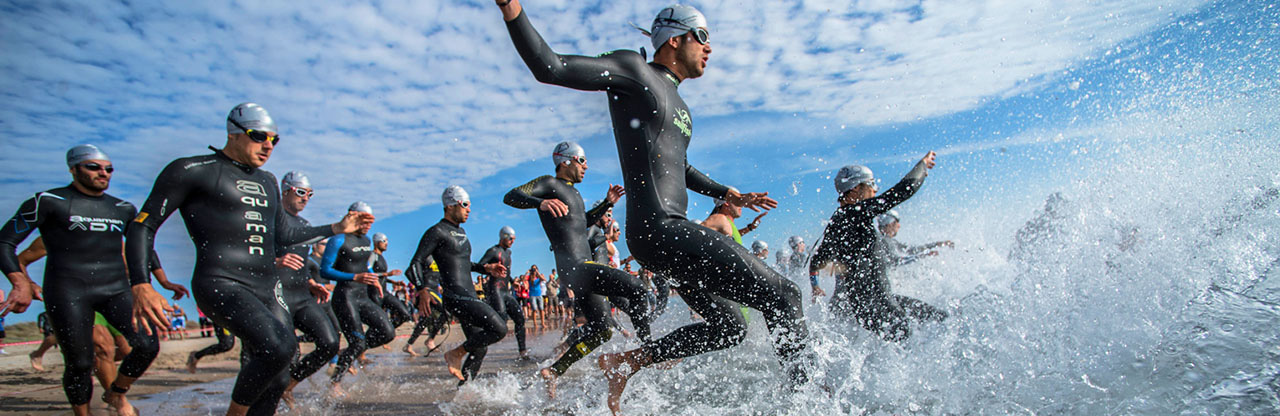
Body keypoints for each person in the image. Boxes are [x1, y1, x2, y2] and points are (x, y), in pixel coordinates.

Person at [499, 3, 812, 412]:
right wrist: (511, 9)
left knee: (731, 327)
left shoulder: (680, 108)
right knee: (785, 296)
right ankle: (810, 401)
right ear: (675, 38)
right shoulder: (635, 71)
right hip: (660, 228)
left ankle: (625, 362)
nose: (710, 48)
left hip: (667, 236)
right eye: (703, 36)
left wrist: (728, 192)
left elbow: (680, 167)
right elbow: (550, 66)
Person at [124, 103, 372, 416]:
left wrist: (336, 228)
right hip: (220, 281)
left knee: (281, 369)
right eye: (259, 136)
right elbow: (142, 225)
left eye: (274, 140)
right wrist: (141, 283)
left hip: (266, 287)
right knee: (279, 347)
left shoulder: (267, 181)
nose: (268, 145)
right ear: (234, 133)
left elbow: (283, 236)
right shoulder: (192, 170)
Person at [0, 144, 162, 416]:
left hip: (115, 289)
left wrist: (160, 284)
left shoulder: (122, 208)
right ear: (74, 169)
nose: (104, 173)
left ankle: (116, 393)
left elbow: (141, 248)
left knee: (148, 345)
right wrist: (21, 283)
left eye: (108, 169)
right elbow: (5, 242)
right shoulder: (48, 201)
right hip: (67, 290)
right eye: (94, 167)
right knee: (80, 362)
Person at [503, 141, 654, 397]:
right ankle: (649, 351)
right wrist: (538, 203)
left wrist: (607, 203)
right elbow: (511, 196)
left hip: (582, 270)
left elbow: (581, 223)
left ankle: (554, 370)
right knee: (638, 288)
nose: (586, 166)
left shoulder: (573, 193)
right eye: (582, 161)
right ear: (566, 161)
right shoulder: (549, 183)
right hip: (577, 266)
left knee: (603, 331)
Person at [809, 152, 944, 342]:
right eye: (871, 184)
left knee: (935, 316)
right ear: (856, 189)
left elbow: (816, 260)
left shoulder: (837, 220)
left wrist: (815, 287)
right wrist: (922, 166)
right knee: (906, 336)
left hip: (871, 302)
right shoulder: (856, 211)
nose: (875, 190)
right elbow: (903, 190)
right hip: (876, 303)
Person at [406, 186, 507, 384]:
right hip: (456, 296)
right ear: (450, 206)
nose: (469, 210)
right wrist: (422, 290)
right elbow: (414, 264)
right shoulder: (437, 231)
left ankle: (464, 393)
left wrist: (485, 268)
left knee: (479, 347)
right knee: (499, 329)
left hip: (468, 294)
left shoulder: (461, 232)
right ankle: (455, 354)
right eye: (465, 205)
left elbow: (462, 264)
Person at [267, 171, 343, 407]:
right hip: (275, 295)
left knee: (330, 342)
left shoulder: (305, 225)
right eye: (301, 192)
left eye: (310, 194)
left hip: (301, 294)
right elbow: (249, 253)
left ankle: (289, 385)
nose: (306, 198)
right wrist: (276, 261)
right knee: (283, 352)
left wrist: (311, 283)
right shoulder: (270, 219)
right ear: (285, 190)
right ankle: (264, 403)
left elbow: (302, 262)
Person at [323, 201, 397, 395]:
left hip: (363, 295)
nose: (368, 225)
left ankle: (350, 352)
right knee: (357, 343)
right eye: (365, 220)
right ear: (352, 216)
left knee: (387, 332)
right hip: (345, 296)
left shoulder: (365, 242)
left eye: (371, 221)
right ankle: (335, 382)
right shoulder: (338, 240)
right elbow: (325, 270)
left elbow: (366, 266)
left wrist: (373, 279)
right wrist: (353, 277)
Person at [478, 226, 528, 359]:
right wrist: (489, 268)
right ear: (504, 237)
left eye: (514, 239)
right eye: (511, 238)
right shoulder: (493, 251)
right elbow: (480, 266)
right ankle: (478, 344)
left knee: (520, 319)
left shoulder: (508, 253)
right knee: (501, 323)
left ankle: (522, 351)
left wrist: (513, 281)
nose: (513, 241)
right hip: (495, 291)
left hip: (506, 291)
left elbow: (507, 271)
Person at [403, 256, 449, 357]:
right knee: (445, 312)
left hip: (435, 291)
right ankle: (430, 340)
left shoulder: (438, 259)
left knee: (426, 319)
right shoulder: (426, 257)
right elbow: (408, 272)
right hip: (426, 292)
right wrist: (421, 288)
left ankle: (410, 345)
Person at [876, 210, 954, 266]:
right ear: (889, 224)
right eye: (897, 222)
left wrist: (936, 244)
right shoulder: (883, 242)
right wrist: (921, 256)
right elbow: (894, 262)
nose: (899, 226)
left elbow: (911, 250)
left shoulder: (890, 241)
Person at [368, 233, 413, 329]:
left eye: (387, 241)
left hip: (384, 292)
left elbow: (380, 276)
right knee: (377, 321)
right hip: (374, 293)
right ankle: (381, 335)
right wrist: (387, 274)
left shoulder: (382, 257)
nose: (386, 243)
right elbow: (368, 273)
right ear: (376, 242)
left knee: (405, 314)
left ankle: (386, 332)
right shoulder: (373, 255)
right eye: (384, 241)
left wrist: (393, 282)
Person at [787, 236, 824, 301]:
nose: (804, 245)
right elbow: (807, 272)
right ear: (799, 244)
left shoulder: (793, 257)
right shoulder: (800, 257)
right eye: (803, 242)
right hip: (806, 285)